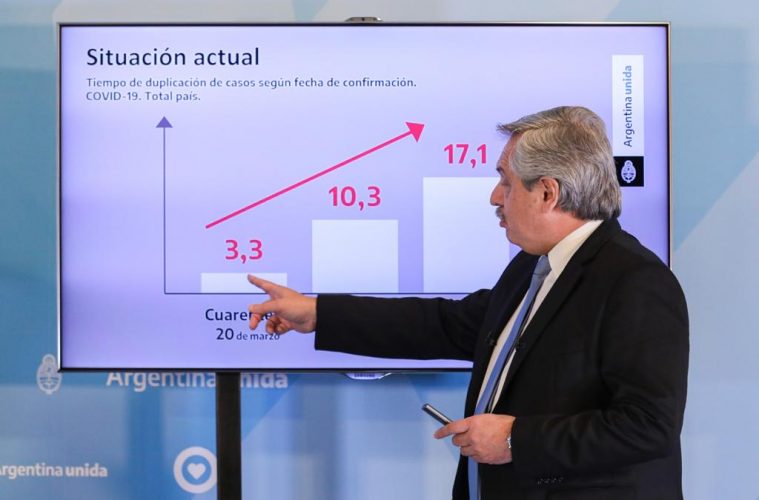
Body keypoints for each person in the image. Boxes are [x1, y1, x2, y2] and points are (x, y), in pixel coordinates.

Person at [247, 106, 689, 500]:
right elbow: (446, 324)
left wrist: (516, 439)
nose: (495, 197)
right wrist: (317, 313)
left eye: (506, 182)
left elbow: (648, 427)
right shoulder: (533, 267)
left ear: (547, 193)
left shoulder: (635, 281)